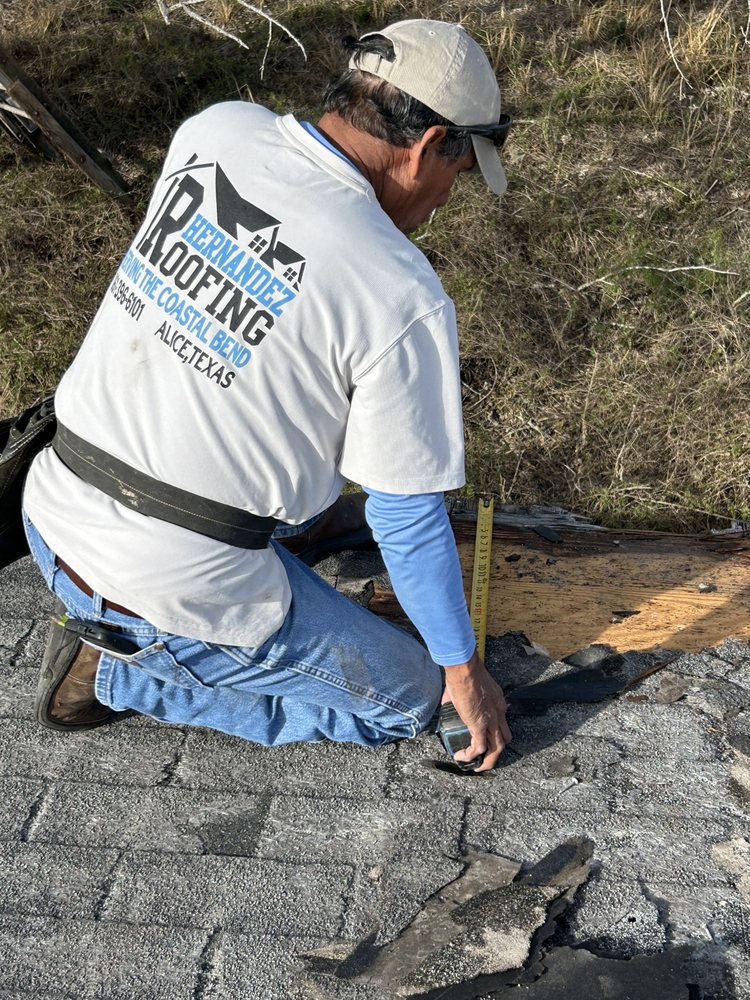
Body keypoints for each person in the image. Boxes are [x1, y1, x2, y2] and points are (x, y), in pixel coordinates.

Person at [22, 18, 512, 771]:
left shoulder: (217, 131)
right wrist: (462, 671)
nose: (450, 195)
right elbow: (406, 518)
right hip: (169, 588)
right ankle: (126, 674)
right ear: (426, 144)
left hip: (50, 514)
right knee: (410, 698)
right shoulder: (398, 290)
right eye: (461, 170)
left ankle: (265, 549)